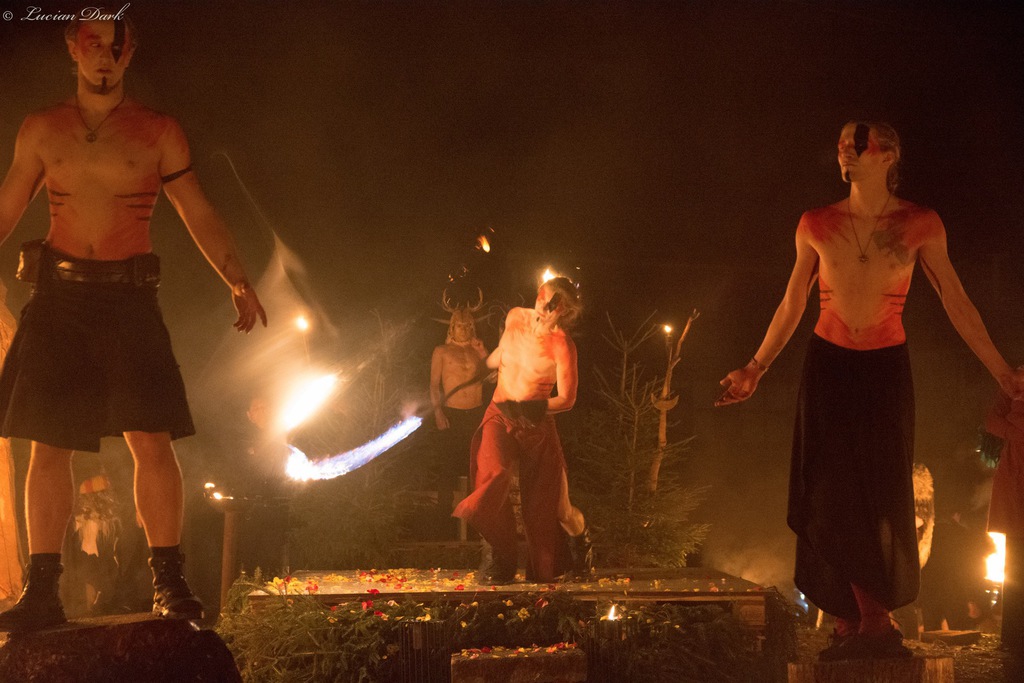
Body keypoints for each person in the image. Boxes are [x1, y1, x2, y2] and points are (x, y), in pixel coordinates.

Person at [715, 121, 1023, 660]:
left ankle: (874, 621)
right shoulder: (817, 222)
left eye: (859, 145)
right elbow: (793, 301)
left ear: (889, 156)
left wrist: (1002, 372)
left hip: (884, 369)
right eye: (841, 146)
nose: (846, 153)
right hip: (828, 365)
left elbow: (956, 301)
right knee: (827, 489)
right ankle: (850, 622)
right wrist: (755, 368)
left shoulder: (919, 223)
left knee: (880, 490)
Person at [0, 17, 266, 632]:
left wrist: (237, 278)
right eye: (93, 44)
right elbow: (9, 204)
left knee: (151, 439)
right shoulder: (42, 128)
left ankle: (169, 582)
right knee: (48, 443)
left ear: (130, 53)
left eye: (115, 47)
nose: (104, 57)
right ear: (73, 47)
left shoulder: (157, 131)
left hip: (128, 299)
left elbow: (197, 210)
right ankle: (42, 590)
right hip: (60, 298)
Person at [453, 276, 591, 583]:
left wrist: (533, 408)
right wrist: (482, 365)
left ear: (566, 311)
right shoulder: (516, 317)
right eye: (543, 296)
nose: (544, 305)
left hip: (536, 424)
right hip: (499, 414)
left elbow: (567, 399)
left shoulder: (563, 346)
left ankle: (580, 546)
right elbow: (503, 353)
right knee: (492, 477)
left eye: (554, 304)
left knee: (557, 509)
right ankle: (498, 560)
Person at [429, 291, 488, 536]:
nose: (463, 329)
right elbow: (434, 386)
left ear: (472, 326)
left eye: (467, 325)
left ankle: (477, 522)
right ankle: (442, 523)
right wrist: (438, 413)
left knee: (478, 467)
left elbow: (495, 377)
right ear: (452, 327)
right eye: (459, 325)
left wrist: (483, 353)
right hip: (452, 414)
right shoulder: (441, 351)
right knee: (448, 469)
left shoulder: (478, 351)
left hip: (476, 414)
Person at [984, 377, 1024, 657]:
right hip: (1015, 479)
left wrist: (1014, 423)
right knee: (1016, 562)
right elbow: (991, 422)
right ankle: (1013, 636)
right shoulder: (1014, 383)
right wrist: (1016, 429)